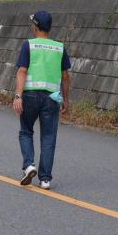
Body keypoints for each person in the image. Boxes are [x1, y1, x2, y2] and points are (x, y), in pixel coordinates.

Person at [13, 10, 71, 190]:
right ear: (50, 27)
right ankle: (45, 179)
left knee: (26, 131)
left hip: (30, 95)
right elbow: (65, 76)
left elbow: (22, 71)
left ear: (35, 26)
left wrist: (17, 95)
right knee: (48, 137)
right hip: (52, 98)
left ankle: (29, 165)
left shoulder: (28, 45)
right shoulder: (59, 47)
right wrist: (66, 100)